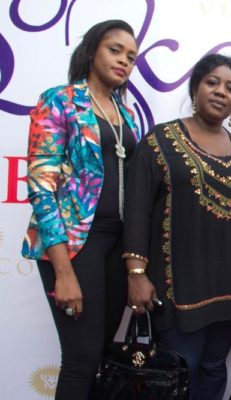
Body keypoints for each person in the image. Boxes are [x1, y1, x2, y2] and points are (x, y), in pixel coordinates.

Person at [123, 53, 231, 400]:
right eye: (212, 82)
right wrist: (136, 274)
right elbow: (137, 209)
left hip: (229, 291)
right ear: (195, 87)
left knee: (213, 370)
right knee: (178, 374)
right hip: (176, 289)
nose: (221, 92)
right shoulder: (160, 141)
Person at [21, 20, 140, 399]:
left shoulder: (126, 114)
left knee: (102, 356)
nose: (124, 61)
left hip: (116, 245)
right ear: (91, 52)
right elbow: (41, 186)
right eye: (115, 50)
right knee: (81, 359)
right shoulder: (60, 100)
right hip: (74, 245)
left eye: (131, 57)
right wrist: (63, 271)